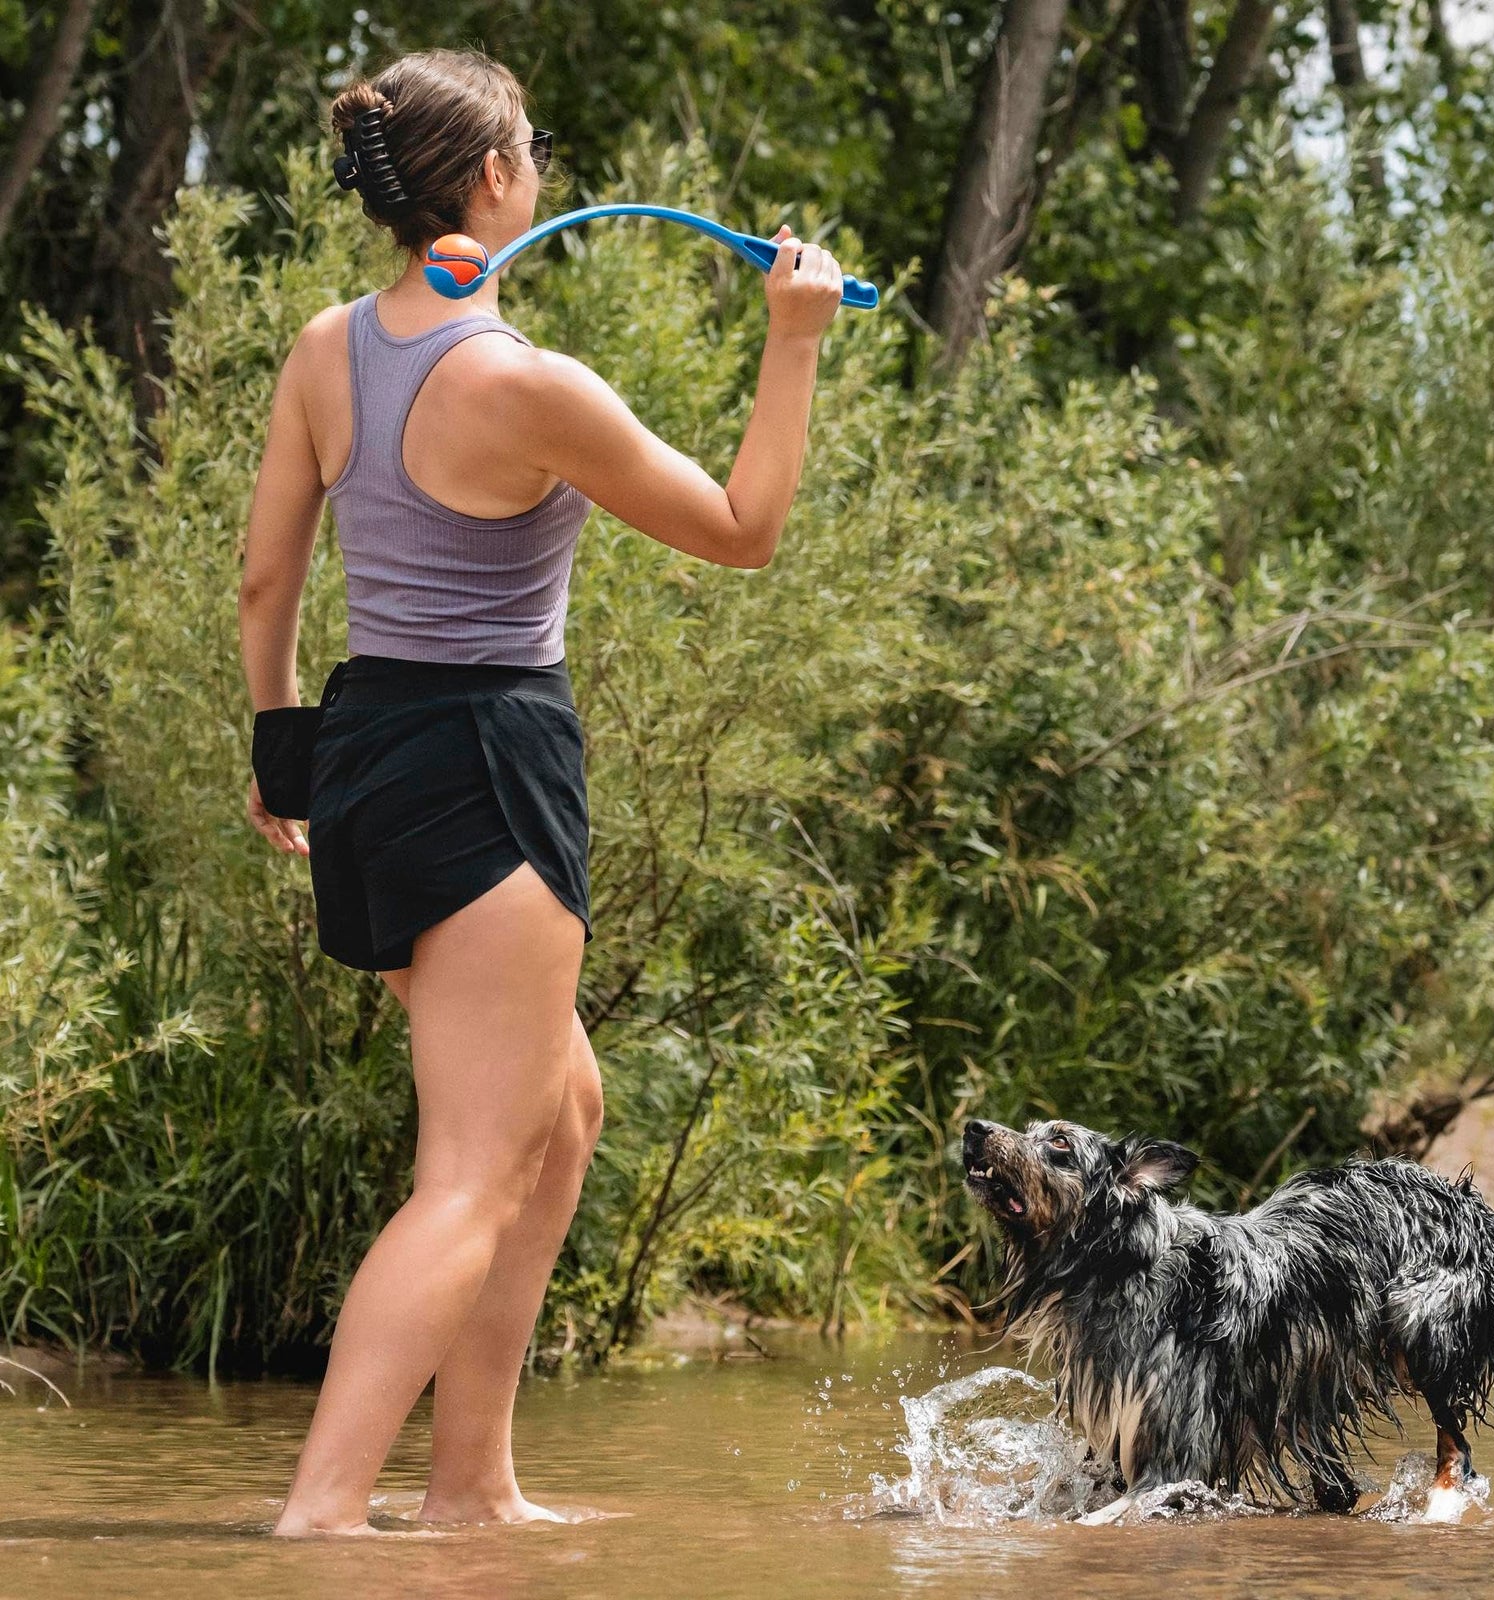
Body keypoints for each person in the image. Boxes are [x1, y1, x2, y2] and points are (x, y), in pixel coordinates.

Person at [235, 45, 843, 1538]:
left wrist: (278, 751)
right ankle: (320, 1518)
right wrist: (796, 337)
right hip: (486, 765)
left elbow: (265, 577)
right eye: (534, 152)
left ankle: (472, 1486)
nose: (542, 170)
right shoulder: (523, 383)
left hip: (366, 752)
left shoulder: (327, 349)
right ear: (495, 179)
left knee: (559, 1108)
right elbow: (744, 529)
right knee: (469, 1169)